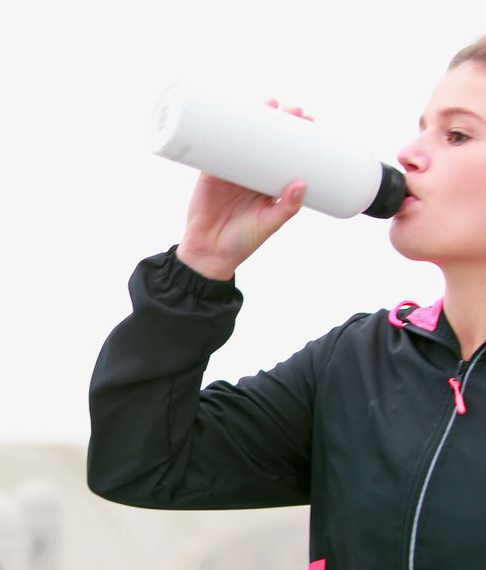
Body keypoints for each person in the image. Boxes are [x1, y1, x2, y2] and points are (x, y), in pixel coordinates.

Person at [87, 36, 486, 570]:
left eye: (457, 134)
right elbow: (141, 465)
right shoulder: (358, 363)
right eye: (422, 128)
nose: (410, 154)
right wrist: (200, 266)